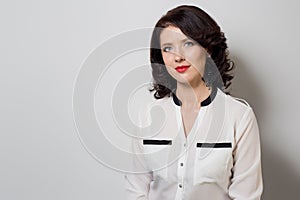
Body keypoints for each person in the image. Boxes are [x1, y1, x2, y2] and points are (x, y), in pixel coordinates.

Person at [124, 5, 263, 200]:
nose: (178, 56)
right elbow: (136, 191)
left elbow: (247, 196)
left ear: (207, 48)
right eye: (168, 48)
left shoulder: (239, 116)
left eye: (188, 44)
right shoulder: (147, 115)